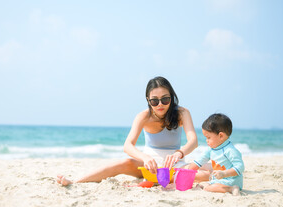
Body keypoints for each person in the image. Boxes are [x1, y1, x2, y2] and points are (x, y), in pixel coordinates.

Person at [57, 76, 198, 186]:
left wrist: (179, 153)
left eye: (165, 99)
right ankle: (75, 182)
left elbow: (193, 141)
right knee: (125, 163)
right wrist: (145, 158)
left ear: (171, 98)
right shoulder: (143, 117)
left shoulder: (182, 113)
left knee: (205, 168)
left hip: (175, 164)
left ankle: (172, 177)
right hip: (149, 165)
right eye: (155, 101)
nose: (160, 104)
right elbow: (128, 145)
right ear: (148, 101)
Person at [188, 113, 244, 195]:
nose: (206, 140)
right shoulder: (211, 149)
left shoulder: (229, 150)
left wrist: (224, 174)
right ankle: (217, 187)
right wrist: (188, 172)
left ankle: (232, 189)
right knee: (202, 184)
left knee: (207, 188)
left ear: (221, 136)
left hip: (231, 181)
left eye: (209, 137)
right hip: (218, 180)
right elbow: (199, 161)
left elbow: (240, 167)